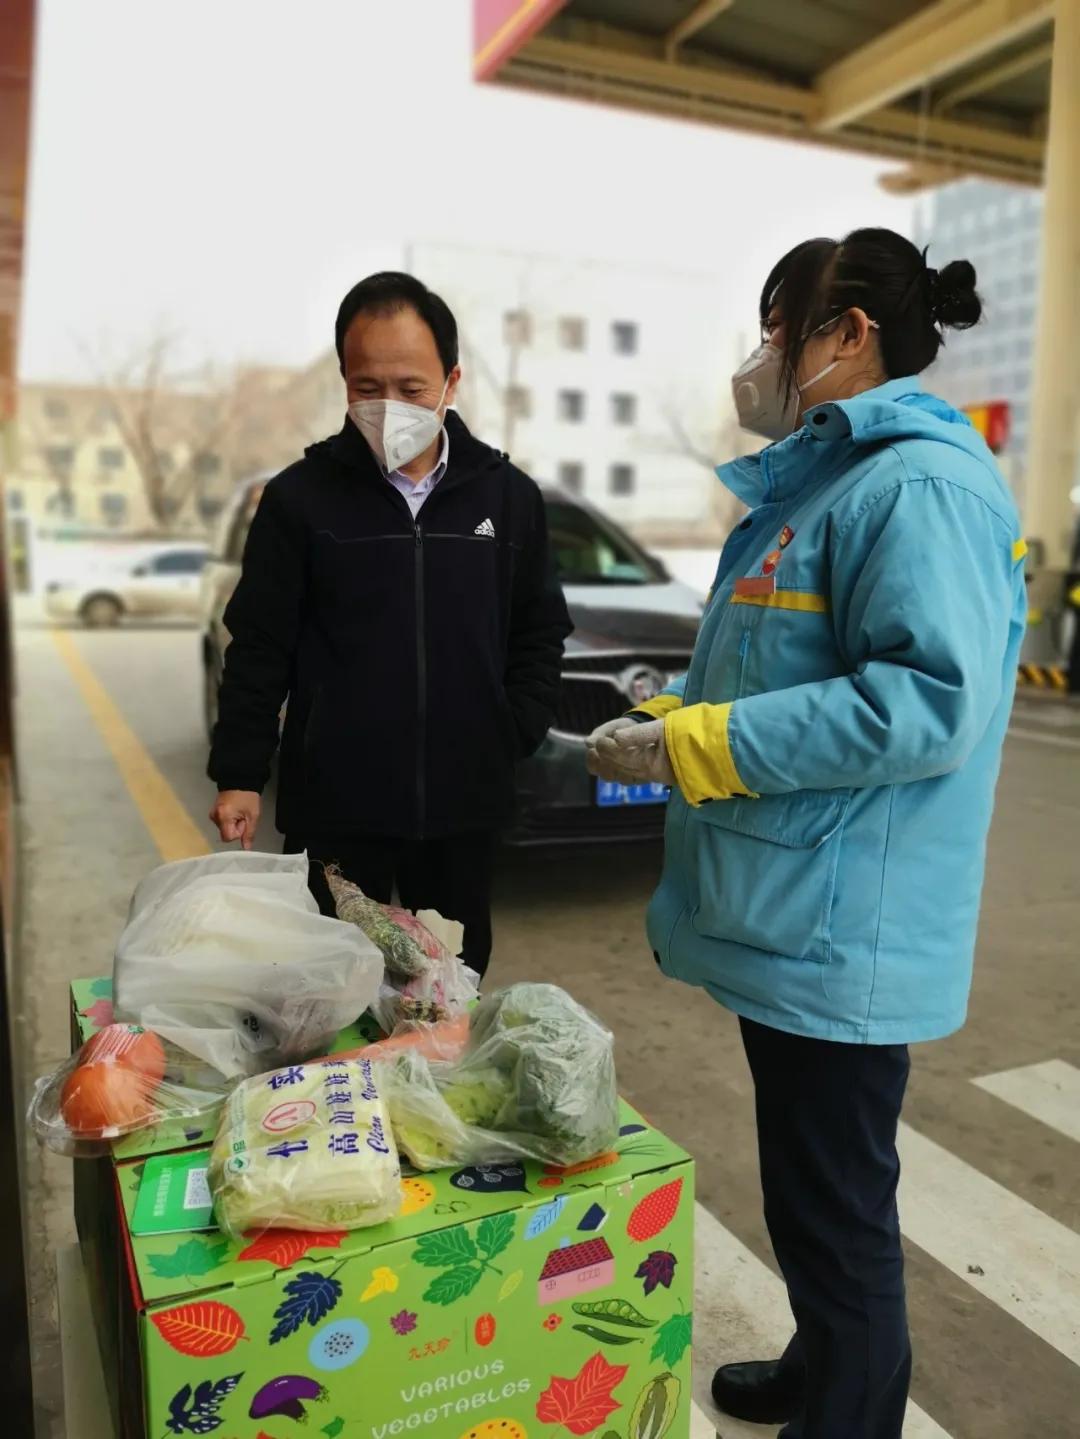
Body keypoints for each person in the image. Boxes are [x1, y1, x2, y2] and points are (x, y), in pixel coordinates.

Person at [587, 228, 1027, 1438]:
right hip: (797, 909)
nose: (765, 354)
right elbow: (784, 671)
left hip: (846, 919)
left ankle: (850, 1410)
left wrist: (704, 745)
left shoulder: (917, 487)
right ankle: (824, 1359)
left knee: (838, 1207)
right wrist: (675, 721)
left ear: (851, 334)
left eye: (782, 328)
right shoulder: (830, 479)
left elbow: (926, 703)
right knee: (810, 1185)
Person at [209, 272, 572, 977]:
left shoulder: (509, 498)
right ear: (345, 382)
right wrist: (240, 773)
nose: (388, 408)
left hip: (464, 807)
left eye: (410, 388)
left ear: (451, 381)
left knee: (451, 988)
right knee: (332, 990)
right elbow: (259, 646)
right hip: (336, 809)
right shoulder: (299, 500)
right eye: (367, 387)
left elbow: (537, 630)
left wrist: (511, 728)